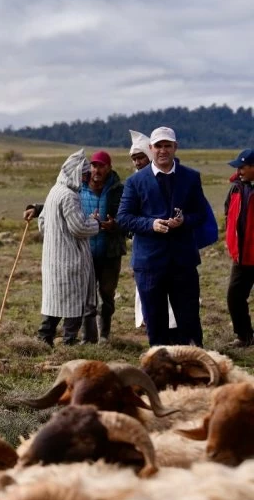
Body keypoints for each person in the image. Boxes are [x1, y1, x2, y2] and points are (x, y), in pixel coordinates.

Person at [117, 126, 209, 346]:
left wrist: (184, 220)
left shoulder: (191, 177)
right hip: (149, 263)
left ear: (175, 147)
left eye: (168, 145)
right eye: (158, 146)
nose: (163, 150)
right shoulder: (135, 182)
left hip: (183, 262)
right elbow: (123, 217)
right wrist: (151, 224)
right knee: (156, 325)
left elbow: (201, 214)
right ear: (151, 148)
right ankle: (159, 373)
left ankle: (195, 369)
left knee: (189, 322)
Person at [32, 150, 99, 346]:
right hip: (70, 261)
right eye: (85, 175)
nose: (87, 179)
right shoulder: (70, 196)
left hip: (53, 258)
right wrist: (95, 223)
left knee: (54, 302)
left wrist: (56, 237)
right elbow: (79, 228)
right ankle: (69, 342)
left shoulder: (54, 191)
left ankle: (44, 339)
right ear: (76, 173)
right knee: (73, 304)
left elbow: (42, 222)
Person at [128, 130, 179, 334]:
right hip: (145, 251)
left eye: (141, 157)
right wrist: (147, 225)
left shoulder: (171, 178)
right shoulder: (135, 182)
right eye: (134, 159)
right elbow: (127, 215)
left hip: (171, 251)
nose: (138, 162)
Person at [79, 151, 126, 343]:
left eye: (102, 166)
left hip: (110, 251)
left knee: (107, 293)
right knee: (85, 294)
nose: (97, 170)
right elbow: (59, 203)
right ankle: (87, 336)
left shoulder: (119, 190)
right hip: (86, 251)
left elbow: (129, 215)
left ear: (109, 168)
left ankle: (104, 334)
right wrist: (36, 208)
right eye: (94, 165)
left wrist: (115, 225)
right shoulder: (79, 188)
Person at [223, 148, 254, 346]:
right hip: (242, 256)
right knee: (234, 297)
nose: (239, 171)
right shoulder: (236, 188)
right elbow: (228, 213)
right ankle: (244, 337)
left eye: (242, 167)